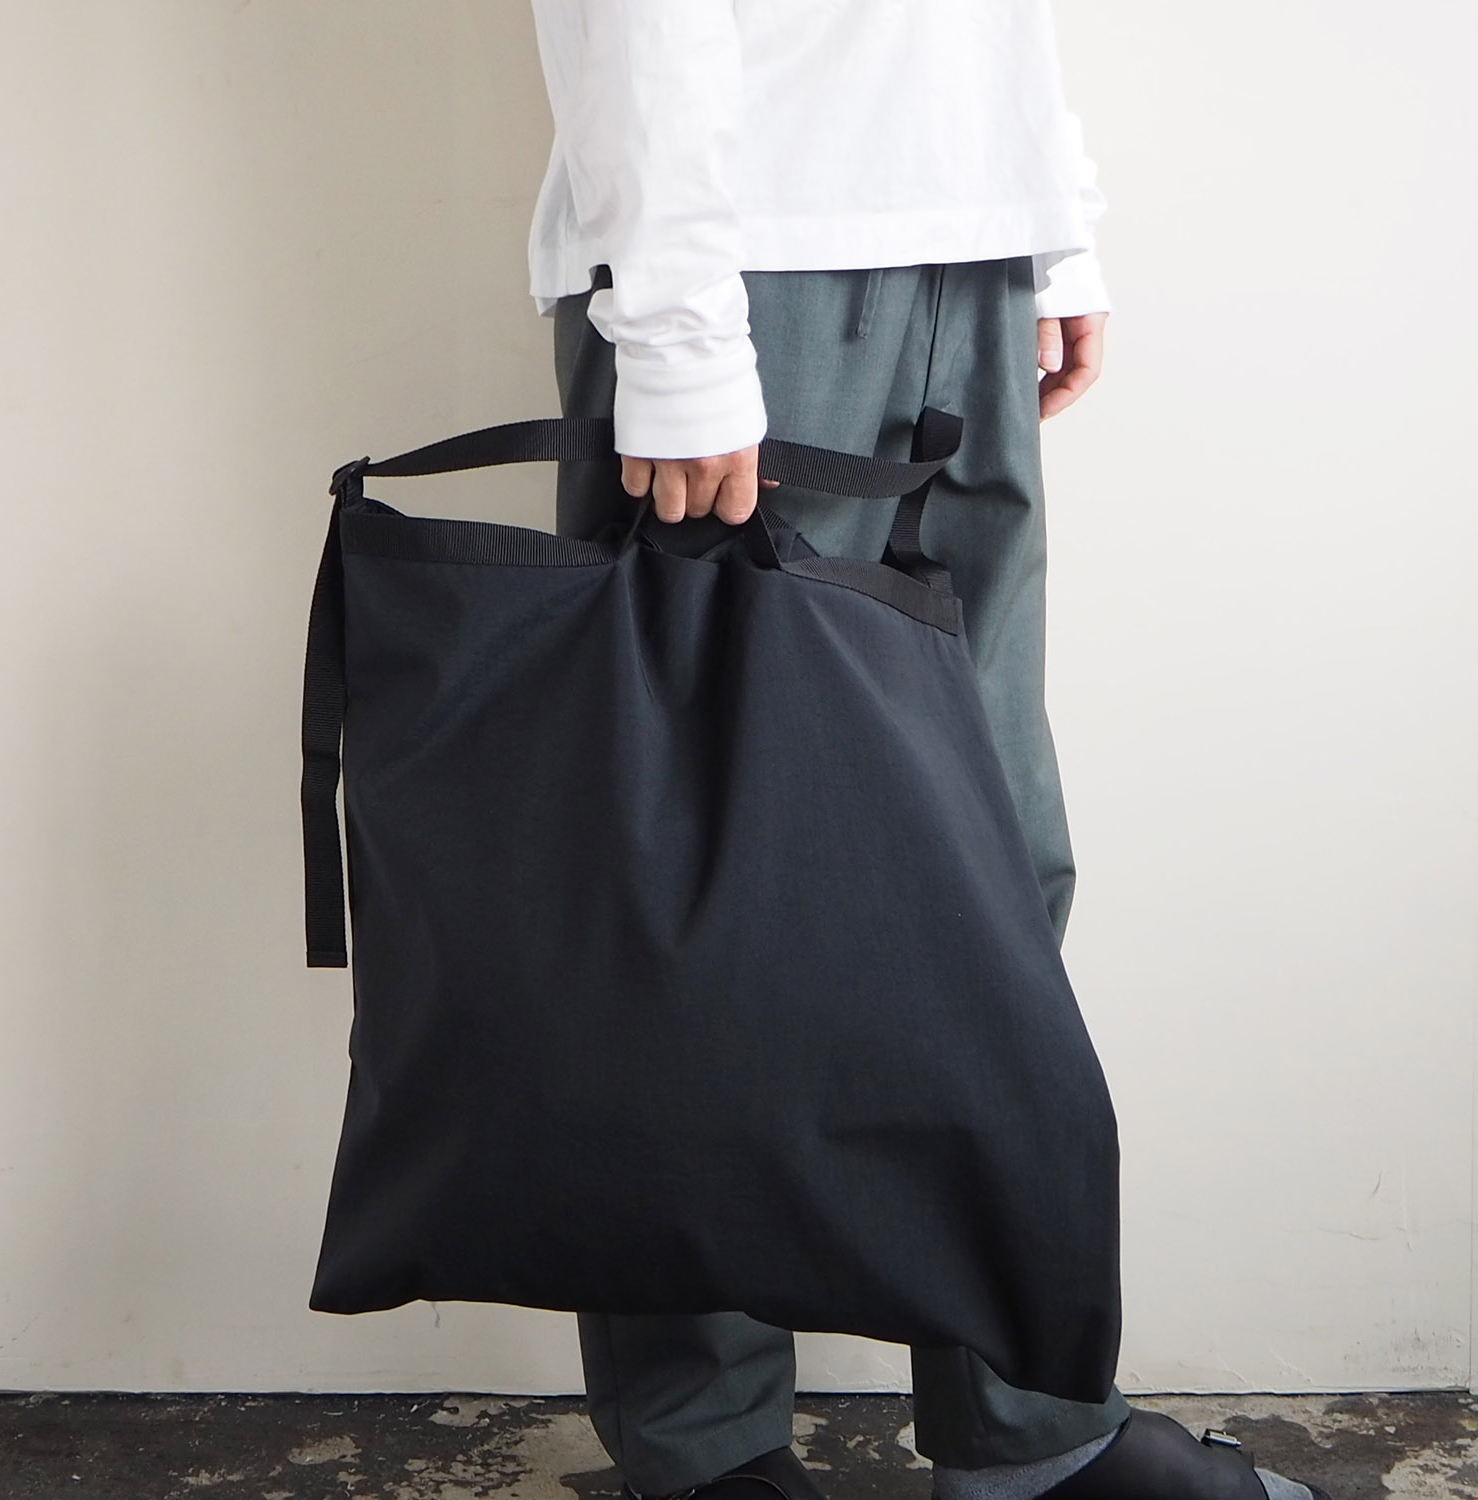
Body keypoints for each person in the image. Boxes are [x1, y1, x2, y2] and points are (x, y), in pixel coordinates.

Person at [524, 6, 1333, 1500]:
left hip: (968, 231)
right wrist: (679, 320)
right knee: (700, 886)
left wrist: (1046, 215)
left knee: (997, 861)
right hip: (747, 249)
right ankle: (708, 1454)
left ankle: (1033, 1437)